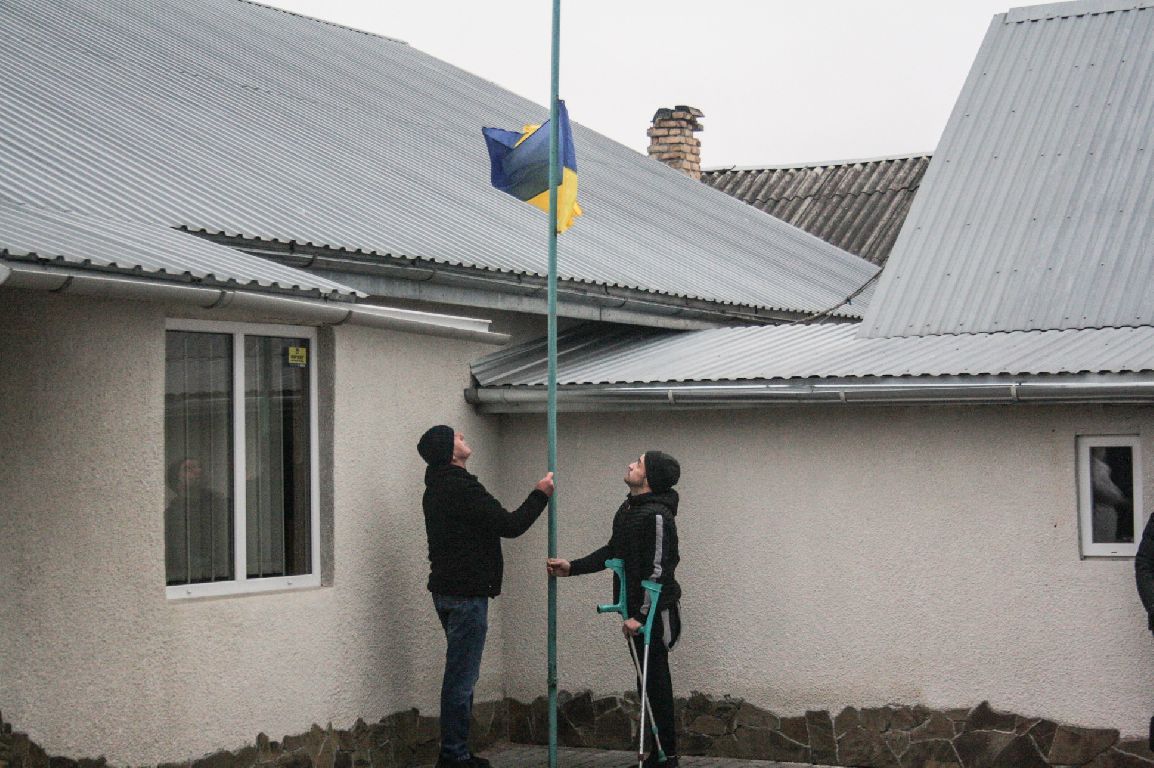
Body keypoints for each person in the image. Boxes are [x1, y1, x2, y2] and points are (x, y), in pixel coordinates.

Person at [418, 424, 555, 768]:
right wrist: (540, 494)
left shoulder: (435, 488)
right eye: (456, 436)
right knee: (461, 680)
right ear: (449, 451)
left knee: (460, 676)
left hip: (447, 592)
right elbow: (510, 525)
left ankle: (458, 752)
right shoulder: (461, 487)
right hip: (465, 595)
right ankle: (454, 756)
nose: (463, 437)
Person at [547, 451, 682, 768]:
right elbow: (613, 551)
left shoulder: (658, 516)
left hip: (655, 613)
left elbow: (659, 571)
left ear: (649, 477)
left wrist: (642, 616)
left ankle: (668, 757)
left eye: (639, 463)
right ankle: (656, 755)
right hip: (635, 611)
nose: (631, 465)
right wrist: (573, 567)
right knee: (645, 681)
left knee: (655, 682)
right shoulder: (629, 509)